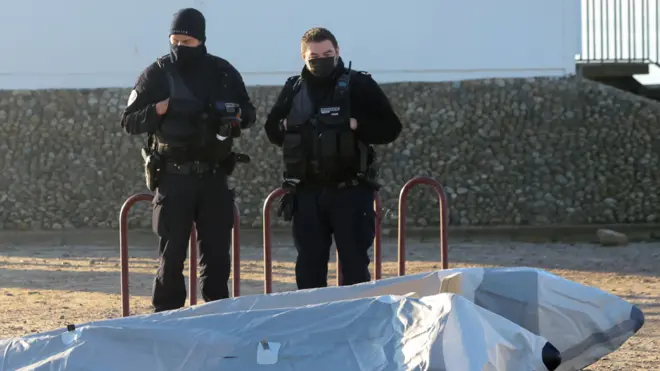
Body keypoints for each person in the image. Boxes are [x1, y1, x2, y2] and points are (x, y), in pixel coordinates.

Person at [120, 8, 256, 312]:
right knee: (170, 258)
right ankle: (167, 319)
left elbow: (249, 113)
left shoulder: (223, 72)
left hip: (213, 178)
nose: (180, 46)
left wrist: (232, 118)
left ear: (201, 40)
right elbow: (128, 121)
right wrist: (159, 109)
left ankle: (217, 315)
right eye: (175, 39)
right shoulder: (156, 73)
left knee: (218, 258)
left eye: (187, 40)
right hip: (173, 179)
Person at [264, 27, 402, 289]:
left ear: (338, 52)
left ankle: (356, 324)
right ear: (303, 56)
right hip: (306, 192)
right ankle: (312, 324)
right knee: (308, 268)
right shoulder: (294, 88)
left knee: (354, 268)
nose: (321, 60)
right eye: (314, 56)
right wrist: (285, 126)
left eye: (328, 53)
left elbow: (391, 128)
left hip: (350, 191)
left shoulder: (359, 84)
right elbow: (272, 130)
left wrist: (357, 125)